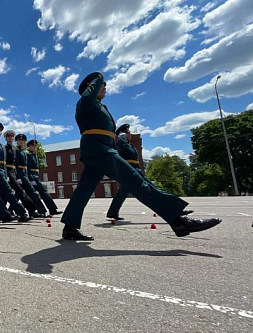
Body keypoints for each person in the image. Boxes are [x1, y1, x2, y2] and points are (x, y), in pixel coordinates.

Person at [60, 72, 221, 240]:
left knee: (83, 190)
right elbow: (88, 98)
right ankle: (177, 220)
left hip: (100, 149)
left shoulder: (100, 106)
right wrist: (98, 77)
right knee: (136, 181)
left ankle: (70, 227)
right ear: (90, 87)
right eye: (101, 85)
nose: (105, 87)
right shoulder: (85, 103)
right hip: (99, 150)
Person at [0, 122, 30, 222]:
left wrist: (6, 174)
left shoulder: (2, 146)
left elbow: (5, 162)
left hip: (3, 172)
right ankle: (22, 213)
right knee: (9, 193)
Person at [3, 130, 39, 217]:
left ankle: (11, 211)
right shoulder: (4, 148)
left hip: (13, 173)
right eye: (8, 136)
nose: (10, 138)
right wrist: (5, 174)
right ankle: (28, 210)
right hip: (7, 172)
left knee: (12, 193)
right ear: (6, 138)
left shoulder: (14, 149)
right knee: (18, 191)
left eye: (12, 136)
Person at [15, 134, 50, 217]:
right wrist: (18, 177)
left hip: (25, 175)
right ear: (17, 141)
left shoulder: (24, 152)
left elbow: (27, 167)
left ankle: (37, 211)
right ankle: (41, 211)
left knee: (20, 194)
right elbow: (16, 165)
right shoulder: (16, 152)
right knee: (29, 193)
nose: (21, 141)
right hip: (21, 175)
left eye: (23, 140)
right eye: (20, 140)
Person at [27, 139, 62, 215]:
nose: (34, 147)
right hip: (32, 177)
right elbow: (28, 168)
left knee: (44, 193)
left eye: (35, 145)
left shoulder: (35, 155)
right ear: (29, 146)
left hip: (36, 176)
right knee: (35, 194)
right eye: (33, 145)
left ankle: (52, 209)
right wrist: (31, 179)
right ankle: (41, 211)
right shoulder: (28, 156)